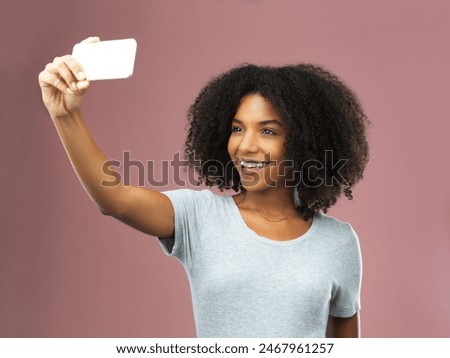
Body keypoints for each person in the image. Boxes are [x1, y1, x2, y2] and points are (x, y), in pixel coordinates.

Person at [38, 36, 370, 338]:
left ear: (305, 143)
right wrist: (66, 116)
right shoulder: (200, 217)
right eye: (237, 129)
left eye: (268, 131)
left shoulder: (338, 242)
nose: (246, 146)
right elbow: (114, 199)